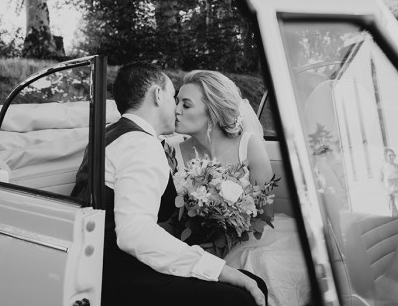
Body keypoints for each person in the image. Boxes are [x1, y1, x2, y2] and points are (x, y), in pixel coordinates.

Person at [71, 62, 266, 306]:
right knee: (244, 294)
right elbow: (135, 234)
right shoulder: (141, 144)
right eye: (174, 97)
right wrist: (217, 269)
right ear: (158, 94)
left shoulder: (109, 135)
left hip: (89, 265)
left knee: (248, 281)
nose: (176, 108)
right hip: (112, 274)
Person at [174, 70, 309, 306]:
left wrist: (225, 235)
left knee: (262, 264)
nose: (176, 110)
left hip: (249, 240)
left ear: (212, 112)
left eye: (185, 105)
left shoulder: (248, 145)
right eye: (176, 102)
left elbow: (265, 214)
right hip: (196, 243)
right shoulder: (174, 152)